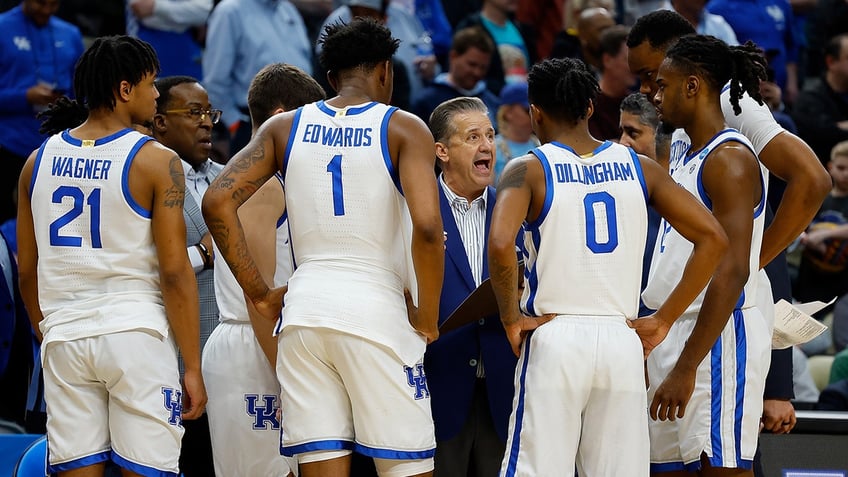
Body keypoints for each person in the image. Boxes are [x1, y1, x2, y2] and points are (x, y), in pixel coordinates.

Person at [202, 18, 444, 477]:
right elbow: (429, 230)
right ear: (386, 71)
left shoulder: (283, 128)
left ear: (330, 78)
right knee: (407, 467)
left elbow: (217, 201)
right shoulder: (405, 128)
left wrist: (259, 293)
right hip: (377, 314)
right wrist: (428, 317)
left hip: (304, 314)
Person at [488, 56, 728, 477]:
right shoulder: (641, 167)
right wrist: (664, 320)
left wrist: (510, 316)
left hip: (554, 335)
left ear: (534, 113)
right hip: (623, 340)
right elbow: (714, 239)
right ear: (589, 109)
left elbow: (500, 242)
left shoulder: (527, 169)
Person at [626, 9, 831, 439]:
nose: (648, 91)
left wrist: (752, 262)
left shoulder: (735, 109)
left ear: (686, 71)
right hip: (683, 319)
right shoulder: (682, 135)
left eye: (653, 77)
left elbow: (812, 181)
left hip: (726, 318)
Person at [16, 35, 206, 476]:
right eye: (151, 83)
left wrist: (50, 331)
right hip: (133, 335)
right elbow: (175, 273)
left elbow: (28, 271)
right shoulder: (157, 160)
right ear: (125, 90)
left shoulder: (36, 161)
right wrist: (192, 367)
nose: (156, 94)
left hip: (65, 336)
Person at [636, 33, 772, 475]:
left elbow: (731, 272)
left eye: (663, 86)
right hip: (675, 327)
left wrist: (686, 366)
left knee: (720, 467)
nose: (654, 96)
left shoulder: (729, 160)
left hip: (717, 337)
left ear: (693, 86)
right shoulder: (679, 145)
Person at [201, 62, 325, 477]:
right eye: (307, 122)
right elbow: (260, 300)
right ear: (279, 119)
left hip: (268, 343)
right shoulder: (261, 185)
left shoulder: (276, 178)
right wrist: (292, 378)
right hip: (252, 346)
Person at [423, 97, 517, 476]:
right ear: (441, 151)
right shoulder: (417, 210)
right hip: (438, 384)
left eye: (490, 136)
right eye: (473, 137)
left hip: (501, 388)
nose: (487, 147)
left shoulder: (512, 209)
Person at [150, 75, 223, 476]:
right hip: (170, 359)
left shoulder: (233, 176)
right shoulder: (143, 176)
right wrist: (202, 253)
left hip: (228, 361)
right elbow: (147, 264)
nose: (207, 122)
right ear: (160, 122)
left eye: (209, 112)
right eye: (194, 113)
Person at [0, 0, 84, 224]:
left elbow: (82, 91)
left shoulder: (70, 33)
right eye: (40, 3)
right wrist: (23, 96)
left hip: (58, 145)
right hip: (9, 143)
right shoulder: (2, 27)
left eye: (53, 4)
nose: (46, 10)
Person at [202, 0, 313, 157]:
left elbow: (305, 61)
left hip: (300, 120)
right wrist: (235, 124)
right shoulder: (230, 11)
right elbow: (215, 79)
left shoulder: (288, 9)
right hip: (254, 122)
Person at [412, 26, 500, 127]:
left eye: (483, 67)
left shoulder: (493, 104)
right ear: (453, 56)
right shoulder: (426, 103)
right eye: (472, 64)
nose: (477, 72)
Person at [791, 33, 848, 166]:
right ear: (831, 62)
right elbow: (824, 135)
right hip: (822, 172)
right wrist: (835, 129)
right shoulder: (810, 96)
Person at [125, 0, 212, 78]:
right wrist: (187, 19)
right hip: (147, 57)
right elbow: (142, 8)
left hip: (189, 59)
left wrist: (156, 6)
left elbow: (203, 12)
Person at [493, 81, 538, 184]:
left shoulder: (542, 146)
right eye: (527, 110)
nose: (533, 115)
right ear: (508, 112)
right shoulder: (492, 148)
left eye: (536, 110)